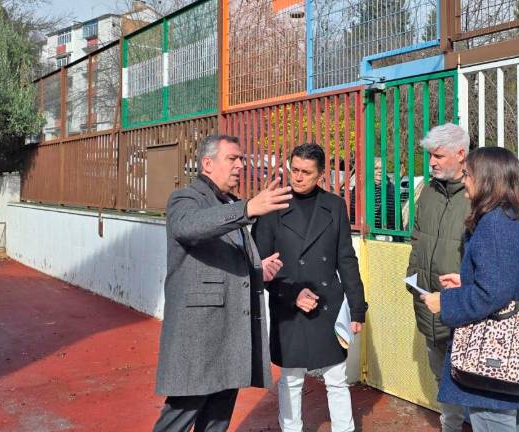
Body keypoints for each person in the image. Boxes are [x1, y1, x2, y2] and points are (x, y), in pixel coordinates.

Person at [152, 135, 293, 432]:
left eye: (241, 159)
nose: (241, 165)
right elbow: (190, 227)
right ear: (207, 164)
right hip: (199, 335)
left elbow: (226, 258)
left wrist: (258, 268)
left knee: (217, 419)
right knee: (179, 417)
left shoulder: (230, 203)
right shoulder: (186, 198)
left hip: (230, 334)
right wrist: (248, 209)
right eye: (233, 158)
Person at [421, 147, 519, 432]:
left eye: (468, 174)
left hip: (493, 355)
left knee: (493, 421)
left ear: (487, 179)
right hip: (516, 352)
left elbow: (492, 295)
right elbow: (509, 282)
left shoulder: (495, 224)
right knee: (517, 424)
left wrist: (445, 303)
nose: (464, 180)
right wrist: (466, 282)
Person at [252, 143, 368, 432]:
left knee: (336, 377)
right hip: (287, 305)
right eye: (295, 170)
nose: (298, 177)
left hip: (327, 303)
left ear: (321, 175)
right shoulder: (272, 206)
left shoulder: (335, 205)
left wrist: (357, 308)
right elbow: (259, 266)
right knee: (290, 378)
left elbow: (345, 258)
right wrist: (292, 295)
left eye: (306, 172)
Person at [406, 123, 470, 432]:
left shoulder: (477, 196)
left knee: (469, 374)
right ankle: (451, 426)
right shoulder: (428, 193)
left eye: (438, 156)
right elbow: (417, 238)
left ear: (461, 154)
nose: (432, 162)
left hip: (463, 303)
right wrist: (412, 278)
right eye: (431, 155)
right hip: (427, 300)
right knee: (440, 374)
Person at [350, 157, 396, 231]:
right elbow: (353, 213)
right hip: (365, 232)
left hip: (388, 234)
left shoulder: (391, 187)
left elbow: (396, 215)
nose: (380, 171)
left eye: (382, 168)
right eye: (376, 168)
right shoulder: (360, 187)